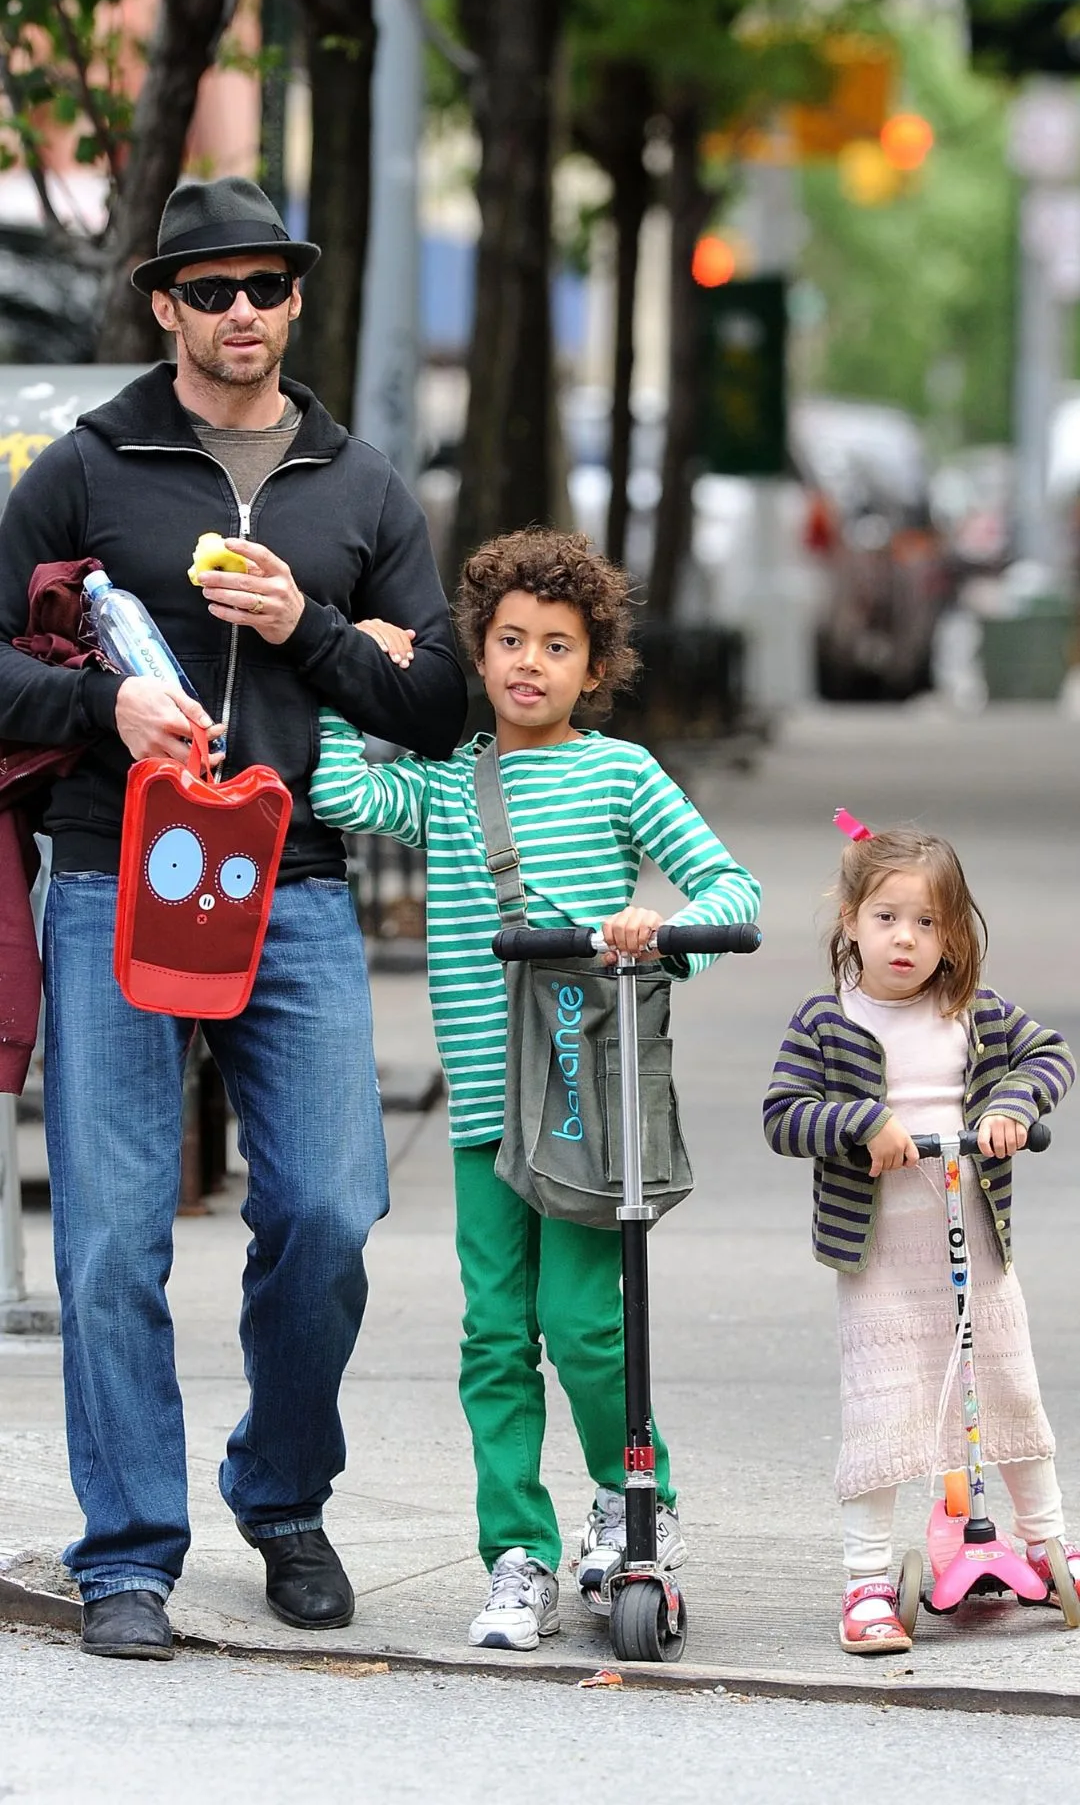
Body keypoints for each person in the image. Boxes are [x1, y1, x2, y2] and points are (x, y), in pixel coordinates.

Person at [0, 176, 466, 1661]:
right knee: (111, 1240)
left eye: (267, 287)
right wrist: (103, 703)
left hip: (299, 886)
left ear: (295, 301)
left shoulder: (362, 487)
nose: (244, 314)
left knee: (330, 1209)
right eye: (214, 291)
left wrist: (305, 628)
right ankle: (127, 1551)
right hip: (110, 875)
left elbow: (442, 705)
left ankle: (281, 1494)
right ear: (164, 306)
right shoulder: (85, 469)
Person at [310, 528, 761, 1649]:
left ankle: (630, 1497)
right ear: (476, 651)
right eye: (508, 640)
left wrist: (662, 933)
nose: (527, 663)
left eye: (556, 646)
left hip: (581, 1105)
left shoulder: (621, 773)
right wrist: (344, 665)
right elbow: (331, 788)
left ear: (594, 669)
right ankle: (516, 1554)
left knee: (582, 1324)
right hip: (480, 1110)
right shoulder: (450, 784)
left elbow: (729, 885)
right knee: (495, 1337)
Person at [763, 824, 1077, 1655]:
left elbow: (1051, 1055)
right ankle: (866, 1576)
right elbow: (783, 1116)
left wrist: (1013, 1105)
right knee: (886, 1408)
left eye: (930, 923)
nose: (908, 939)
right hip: (880, 1260)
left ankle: (1051, 1542)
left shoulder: (973, 1011)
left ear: (956, 934)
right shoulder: (828, 1020)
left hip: (975, 1244)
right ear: (852, 919)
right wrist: (862, 1121)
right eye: (889, 917)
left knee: (1009, 1388)